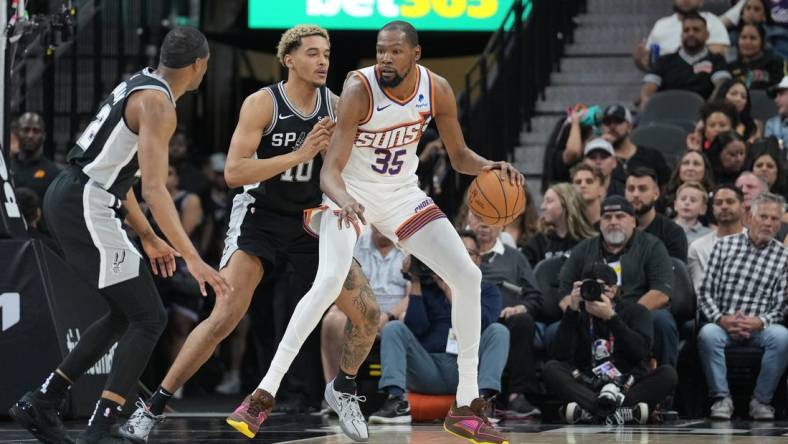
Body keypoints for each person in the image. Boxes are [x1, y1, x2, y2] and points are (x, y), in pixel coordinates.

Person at [230, 20, 522, 444]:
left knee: (469, 277)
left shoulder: (436, 88)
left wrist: (490, 166)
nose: (384, 58)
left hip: (402, 197)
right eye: (380, 50)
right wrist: (344, 199)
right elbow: (329, 171)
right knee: (329, 280)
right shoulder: (358, 89)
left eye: (394, 52)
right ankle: (262, 395)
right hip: (347, 195)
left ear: (415, 55)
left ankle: (466, 405)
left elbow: (459, 157)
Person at [120, 25, 380, 442]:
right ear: (289, 59)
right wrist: (299, 154)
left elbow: (341, 171)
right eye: (312, 53)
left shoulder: (335, 107)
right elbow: (234, 173)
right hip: (260, 217)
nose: (323, 61)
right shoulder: (263, 104)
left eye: (326, 53)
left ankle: (343, 389)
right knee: (225, 314)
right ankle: (154, 406)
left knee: (367, 314)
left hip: (313, 220)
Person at [9, 27, 231, 444]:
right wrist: (194, 258)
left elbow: (120, 172)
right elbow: (153, 188)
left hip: (78, 194)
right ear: (200, 64)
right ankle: (100, 426)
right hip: (87, 202)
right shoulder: (160, 104)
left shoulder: (138, 82)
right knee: (149, 317)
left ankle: (44, 399)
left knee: (124, 313)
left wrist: (147, 234)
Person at [368, 231, 509, 424]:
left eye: (468, 253)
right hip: (427, 368)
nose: (462, 258)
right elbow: (416, 328)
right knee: (393, 328)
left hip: (467, 370)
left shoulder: (487, 291)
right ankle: (396, 402)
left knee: (499, 331)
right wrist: (416, 280)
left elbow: (481, 324)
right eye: (458, 252)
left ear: (478, 260)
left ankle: (481, 404)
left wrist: (452, 292)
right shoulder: (428, 286)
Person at [545, 262, 678, 425]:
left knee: (668, 374)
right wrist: (571, 311)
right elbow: (559, 354)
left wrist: (612, 318)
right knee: (551, 368)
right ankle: (621, 412)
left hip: (627, 385)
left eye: (599, 287)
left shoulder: (636, 312)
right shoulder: (577, 314)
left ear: (613, 290)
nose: (592, 292)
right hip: (588, 385)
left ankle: (590, 413)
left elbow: (641, 352)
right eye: (587, 286)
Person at [697, 192, 788, 420]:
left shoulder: (784, 257)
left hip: (761, 327)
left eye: (774, 219)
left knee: (782, 337)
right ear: (749, 217)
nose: (768, 223)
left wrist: (759, 322)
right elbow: (705, 292)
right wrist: (721, 319)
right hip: (724, 323)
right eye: (763, 216)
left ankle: (761, 401)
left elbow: (781, 305)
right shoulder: (723, 247)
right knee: (707, 333)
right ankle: (721, 399)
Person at [558, 195, 676, 370]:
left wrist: (622, 316)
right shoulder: (584, 248)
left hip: (637, 314)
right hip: (590, 315)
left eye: (620, 216)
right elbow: (564, 292)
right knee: (557, 331)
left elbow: (661, 292)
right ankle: (574, 384)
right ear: (600, 223)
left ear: (633, 221)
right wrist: (582, 313)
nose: (613, 222)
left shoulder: (652, 246)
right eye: (607, 217)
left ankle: (664, 386)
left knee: (662, 322)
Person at [467, 211, 544, 419]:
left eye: (490, 217)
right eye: (477, 216)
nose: (483, 222)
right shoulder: (457, 253)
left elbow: (535, 296)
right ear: (468, 221)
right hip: (464, 318)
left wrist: (522, 307)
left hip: (504, 320)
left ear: (501, 226)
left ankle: (516, 397)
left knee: (523, 321)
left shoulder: (515, 257)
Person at [321, 226, 409, 385]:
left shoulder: (409, 245)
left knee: (408, 318)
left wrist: (387, 317)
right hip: (357, 310)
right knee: (332, 320)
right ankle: (335, 391)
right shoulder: (355, 241)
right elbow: (341, 287)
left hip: (393, 313)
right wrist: (363, 318)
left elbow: (411, 295)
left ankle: (400, 395)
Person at [641, 13, 732, 105]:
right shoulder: (663, 61)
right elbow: (648, 90)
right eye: (686, 30)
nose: (691, 33)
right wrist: (646, 104)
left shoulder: (716, 60)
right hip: (667, 114)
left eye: (696, 30)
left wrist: (708, 111)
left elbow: (721, 85)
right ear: (681, 35)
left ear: (707, 35)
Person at [634, 0, 730, 71]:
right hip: (663, 84)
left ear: (701, 1)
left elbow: (717, 56)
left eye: (696, 30)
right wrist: (640, 61)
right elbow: (650, 65)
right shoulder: (661, 24)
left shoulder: (712, 22)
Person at [687, 185, 746, 289]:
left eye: (730, 201)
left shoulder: (757, 242)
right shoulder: (698, 247)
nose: (724, 206)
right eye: (718, 203)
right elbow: (699, 289)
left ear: (743, 207)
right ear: (713, 208)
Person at [524, 183, 596, 267]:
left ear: (566, 204)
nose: (543, 206)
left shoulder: (589, 243)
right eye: (544, 201)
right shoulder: (537, 242)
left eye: (549, 201)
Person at [625, 167, 689, 263]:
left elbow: (676, 274)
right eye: (631, 189)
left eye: (642, 189)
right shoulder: (616, 227)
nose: (635, 194)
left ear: (656, 193)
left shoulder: (672, 233)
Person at [601, 105, 670, 188]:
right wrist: (602, 146)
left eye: (618, 121)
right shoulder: (598, 159)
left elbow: (665, 187)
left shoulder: (651, 155)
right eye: (607, 122)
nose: (612, 126)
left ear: (629, 127)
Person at [9, 112, 62, 203]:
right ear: (17, 133)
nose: (30, 135)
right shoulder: (5, 169)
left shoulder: (54, 174)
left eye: (36, 131)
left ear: (44, 136)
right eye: (26, 130)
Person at [727, 23, 784, 91]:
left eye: (753, 38)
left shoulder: (774, 62)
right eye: (743, 37)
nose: (747, 42)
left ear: (762, 41)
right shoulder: (731, 63)